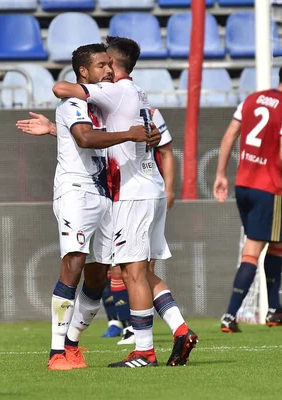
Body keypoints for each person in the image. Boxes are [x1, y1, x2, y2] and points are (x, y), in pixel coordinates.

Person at [51, 36, 197, 367]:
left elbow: (63, 90)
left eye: (106, 63)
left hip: (132, 191)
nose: (105, 68)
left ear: (115, 64)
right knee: (143, 271)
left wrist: (83, 82)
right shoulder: (142, 97)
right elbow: (155, 137)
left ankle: (144, 350)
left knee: (133, 273)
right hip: (152, 186)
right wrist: (54, 129)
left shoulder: (116, 91)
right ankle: (180, 330)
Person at [37, 43, 159, 371]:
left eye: (110, 64)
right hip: (76, 193)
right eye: (102, 65)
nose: (109, 70)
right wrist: (130, 134)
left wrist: (52, 130)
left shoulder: (103, 105)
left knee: (98, 276)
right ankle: (55, 353)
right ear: (84, 73)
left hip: (104, 194)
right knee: (73, 264)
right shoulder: (74, 101)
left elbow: (94, 135)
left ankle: (73, 345)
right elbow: (85, 139)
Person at [213, 60, 282, 333]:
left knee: (277, 241)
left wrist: (221, 173)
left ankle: (274, 308)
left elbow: (230, 134)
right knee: (253, 251)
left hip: (243, 185)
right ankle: (231, 315)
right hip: (268, 187)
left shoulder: (251, 99)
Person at [106, 107, 177, 346]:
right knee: (123, 270)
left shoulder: (150, 113)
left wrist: (169, 189)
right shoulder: (111, 111)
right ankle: (133, 327)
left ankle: (140, 334)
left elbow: (166, 152)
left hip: (138, 196)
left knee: (141, 268)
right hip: (120, 196)